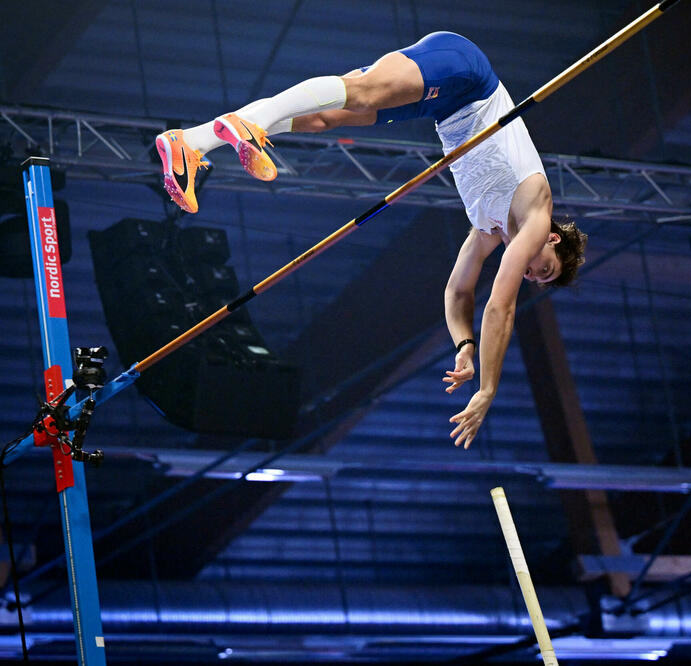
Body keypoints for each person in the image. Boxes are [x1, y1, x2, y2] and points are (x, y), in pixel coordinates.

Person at [155, 32, 587, 448]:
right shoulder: (536, 212)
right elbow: (499, 305)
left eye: (536, 279)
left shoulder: (488, 229)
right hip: (469, 78)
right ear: (551, 239)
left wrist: (465, 345)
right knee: (361, 93)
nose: (531, 271)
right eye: (544, 267)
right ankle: (250, 123)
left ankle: (190, 142)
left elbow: (458, 291)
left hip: (445, 105)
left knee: (323, 116)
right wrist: (488, 388)